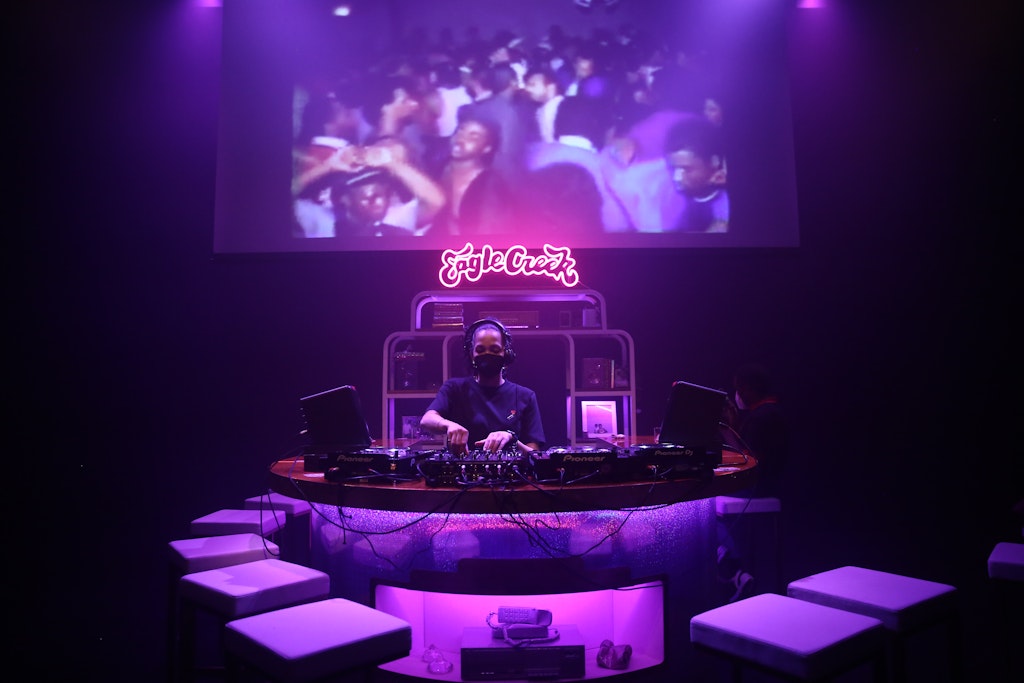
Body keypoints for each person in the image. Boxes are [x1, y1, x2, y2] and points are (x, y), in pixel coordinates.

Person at [716, 363, 789, 603]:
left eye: (739, 389)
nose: (737, 394)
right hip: (772, 484)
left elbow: (748, 460)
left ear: (747, 389)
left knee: (701, 507)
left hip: (759, 488)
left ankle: (732, 566)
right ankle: (733, 566)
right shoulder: (773, 412)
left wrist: (727, 430)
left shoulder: (761, 417)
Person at [420, 319, 545, 455]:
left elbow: (535, 454)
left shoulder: (525, 396)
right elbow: (427, 420)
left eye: (494, 349)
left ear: (506, 353)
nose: (487, 354)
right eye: (480, 350)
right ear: (471, 355)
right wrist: (448, 425)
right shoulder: (454, 388)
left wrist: (512, 439)